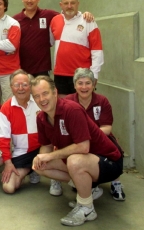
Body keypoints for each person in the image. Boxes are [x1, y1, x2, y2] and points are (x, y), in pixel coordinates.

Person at [31, 76, 123, 226]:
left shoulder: (71, 109)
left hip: (109, 161)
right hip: (87, 160)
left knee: (75, 160)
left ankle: (87, 208)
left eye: (45, 93)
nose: (42, 99)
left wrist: (50, 155)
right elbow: (46, 146)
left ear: (55, 92)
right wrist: (41, 156)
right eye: (36, 96)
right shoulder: (41, 117)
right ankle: (88, 189)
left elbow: (83, 147)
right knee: (40, 165)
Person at [64, 68, 125, 201]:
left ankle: (116, 182)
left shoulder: (102, 101)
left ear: (93, 85)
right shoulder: (67, 102)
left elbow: (107, 128)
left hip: (100, 139)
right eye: (80, 83)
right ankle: (83, 182)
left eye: (88, 83)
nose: (84, 87)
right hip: (77, 141)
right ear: (74, 85)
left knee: (114, 150)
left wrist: (87, 136)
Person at [13, 0, 94, 77]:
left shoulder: (48, 15)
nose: (29, 0)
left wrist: (83, 15)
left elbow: (69, 14)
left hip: (42, 69)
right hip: (21, 69)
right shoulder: (15, 20)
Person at [50, 0, 103, 97]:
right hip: (60, 75)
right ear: (61, 5)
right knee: (64, 109)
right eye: (66, 3)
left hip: (82, 75)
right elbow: (50, 42)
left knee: (82, 110)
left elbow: (97, 50)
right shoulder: (55, 20)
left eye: (72, 3)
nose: (69, 6)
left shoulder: (88, 21)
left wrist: (95, 74)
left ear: (78, 4)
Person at [0, 69, 41, 194]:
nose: (21, 88)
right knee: (8, 188)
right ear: (11, 87)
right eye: (17, 85)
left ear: (30, 86)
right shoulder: (6, 108)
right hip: (21, 153)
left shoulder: (40, 102)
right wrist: (8, 163)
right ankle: (32, 169)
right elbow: (3, 138)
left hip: (42, 150)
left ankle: (46, 174)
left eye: (25, 84)